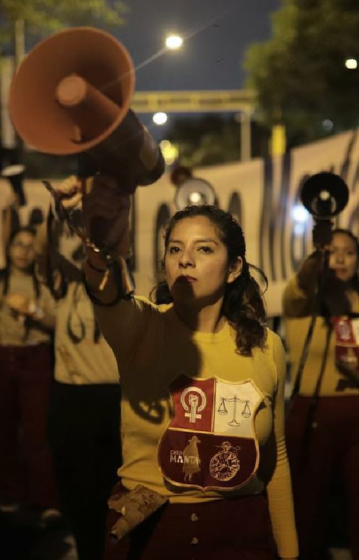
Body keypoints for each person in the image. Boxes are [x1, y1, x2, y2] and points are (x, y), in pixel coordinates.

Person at [62, 176, 297, 560]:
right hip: (152, 531)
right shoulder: (141, 327)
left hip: (242, 534)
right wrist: (100, 245)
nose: (185, 259)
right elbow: (106, 288)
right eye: (175, 249)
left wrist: (289, 551)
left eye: (203, 249)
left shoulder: (267, 347)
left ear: (234, 267)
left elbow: (277, 459)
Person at [283, 229, 359, 560]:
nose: (341, 259)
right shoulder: (302, 301)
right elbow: (302, 281)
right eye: (333, 253)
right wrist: (316, 260)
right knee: (306, 514)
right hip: (315, 416)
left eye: (348, 252)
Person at [35, 176, 122, 560]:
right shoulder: (64, 283)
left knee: (112, 492)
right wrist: (56, 209)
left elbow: (113, 242)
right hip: (69, 399)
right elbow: (43, 253)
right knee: (76, 492)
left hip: (110, 398)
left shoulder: (115, 277)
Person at [0, 211, 60, 519]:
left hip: (34, 358)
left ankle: (46, 498)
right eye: (18, 244)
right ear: (8, 249)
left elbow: (56, 321)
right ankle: (8, 493)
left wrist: (32, 309)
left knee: (39, 431)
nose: (23, 251)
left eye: (30, 246)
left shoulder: (45, 280)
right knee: (0, 429)